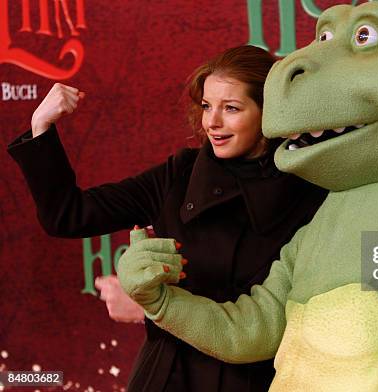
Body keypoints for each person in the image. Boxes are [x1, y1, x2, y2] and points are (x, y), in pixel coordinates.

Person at [7, 45, 328, 392]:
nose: (212, 122)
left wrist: (151, 307)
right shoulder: (180, 175)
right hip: (166, 376)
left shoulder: (310, 188)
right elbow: (68, 216)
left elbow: (315, 310)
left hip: (256, 380)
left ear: (269, 112)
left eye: (231, 108)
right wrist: (41, 126)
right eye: (207, 106)